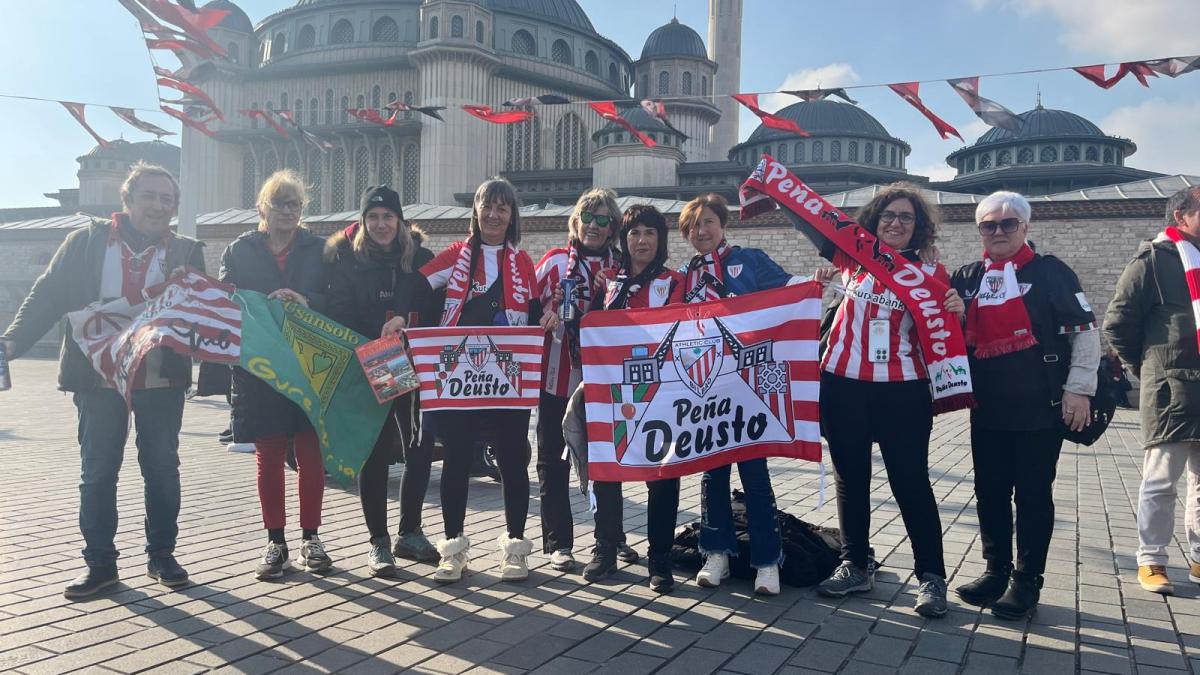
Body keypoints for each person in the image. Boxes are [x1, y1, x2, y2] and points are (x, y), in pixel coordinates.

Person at [0, 162, 204, 598]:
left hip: (160, 378)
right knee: (97, 472)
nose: (157, 205)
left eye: (166, 200)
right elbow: (48, 292)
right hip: (97, 378)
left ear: (174, 208)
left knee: (163, 469)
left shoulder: (187, 250)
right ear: (127, 200)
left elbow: (199, 312)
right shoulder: (85, 242)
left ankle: (162, 555)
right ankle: (100, 564)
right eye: (148, 196)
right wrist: (12, 342)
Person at [950, 191, 1099, 619]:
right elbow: (949, 332)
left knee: (1032, 495)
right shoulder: (968, 276)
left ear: (1025, 227)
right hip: (988, 406)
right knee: (989, 492)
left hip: (1040, 405)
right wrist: (957, 315)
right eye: (988, 225)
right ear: (979, 229)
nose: (998, 231)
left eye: (1008, 223)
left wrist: (1079, 389)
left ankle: (1027, 580)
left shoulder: (1050, 272)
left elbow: (1085, 332)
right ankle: (995, 571)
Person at [811, 183, 956, 618]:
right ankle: (855, 563)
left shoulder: (931, 274)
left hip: (902, 388)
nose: (895, 223)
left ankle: (931, 576)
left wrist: (955, 305)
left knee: (909, 482)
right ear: (873, 222)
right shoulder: (847, 261)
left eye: (906, 218)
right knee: (849, 478)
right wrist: (819, 285)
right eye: (887, 216)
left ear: (919, 228)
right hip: (842, 383)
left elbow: (945, 327)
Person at [403, 177, 554, 583]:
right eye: (487, 206)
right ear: (476, 211)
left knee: (511, 460)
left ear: (512, 215)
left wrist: (546, 317)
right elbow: (417, 286)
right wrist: (405, 319)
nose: (493, 214)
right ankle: (453, 549)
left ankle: (516, 549)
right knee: (455, 459)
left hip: (507, 376)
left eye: (502, 208)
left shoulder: (522, 262)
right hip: (459, 376)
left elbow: (536, 305)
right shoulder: (455, 256)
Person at [679, 192, 803, 596]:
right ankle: (716, 552)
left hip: (749, 384)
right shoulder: (683, 276)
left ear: (723, 224)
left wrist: (813, 284)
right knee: (712, 472)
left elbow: (789, 293)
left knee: (754, 475)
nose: (702, 231)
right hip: (705, 388)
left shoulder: (749, 261)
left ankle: (767, 560)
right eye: (694, 226)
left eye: (709, 222)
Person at [220, 170, 332, 580]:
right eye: (278, 203)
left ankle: (311, 538)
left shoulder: (320, 249)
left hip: (308, 363)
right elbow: (225, 301)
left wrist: (306, 299)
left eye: (294, 204)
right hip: (261, 367)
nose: (287, 211)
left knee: (310, 454)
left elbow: (337, 298)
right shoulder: (239, 249)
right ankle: (276, 541)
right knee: (268, 454)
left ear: (302, 210)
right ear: (261, 208)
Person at [325, 185, 436, 577]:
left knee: (419, 446)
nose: (381, 224)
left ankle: (410, 531)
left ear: (400, 220)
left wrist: (407, 321)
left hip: (413, 359)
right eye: (373, 217)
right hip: (371, 358)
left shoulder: (420, 258)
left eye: (388, 216)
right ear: (363, 221)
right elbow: (337, 309)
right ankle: (378, 542)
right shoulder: (345, 258)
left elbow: (437, 303)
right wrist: (378, 334)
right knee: (374, 452)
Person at [1105, 184, 1200, 595]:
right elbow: (1118, 324)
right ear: (1181, 215)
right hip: (1171, 390)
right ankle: (1152, 560)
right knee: (1162, 480)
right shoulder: (1154, 261)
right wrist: (1148, 371)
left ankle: (1198, 559)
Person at [585, 204, 685, 591]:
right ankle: (605, 548)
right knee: (606, 472)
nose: (641, 240)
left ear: (659, 240)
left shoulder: (674, 281)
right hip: (613, 392)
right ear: (623, 240)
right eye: (634, 233)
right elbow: (589, 330)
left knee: (663, 475)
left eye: (649, 233)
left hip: (661, 393)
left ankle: (660, 558)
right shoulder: (608, 283)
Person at [533, 188, 625, 572]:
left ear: (612, 227)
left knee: (606, 460)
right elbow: (522, 306)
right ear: (576, 221)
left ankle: (611, 538)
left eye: (603, 219)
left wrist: (612, 297)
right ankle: (559, 542)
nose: (594, 225)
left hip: (601, 378)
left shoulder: (620, 267)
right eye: (588, 216)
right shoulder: (554, 262)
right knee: (552, 460)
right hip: (556, 375)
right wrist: (546, 309)